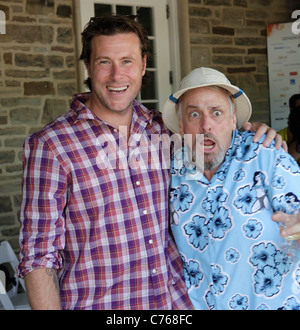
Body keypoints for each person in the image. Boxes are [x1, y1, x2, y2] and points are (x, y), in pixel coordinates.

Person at [17, 16, 284, 310]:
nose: (117, 75)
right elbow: (38, 255)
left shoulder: (162, 130)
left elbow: (212, 135)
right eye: (105, 61)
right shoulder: (52, 145)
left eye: (127, 61)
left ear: (143, 65)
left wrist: (251, 131)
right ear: (89, 67)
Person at [162, 67, 300, 310]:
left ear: (233, 119)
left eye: (217, 113)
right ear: (181, 126)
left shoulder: (268, 157)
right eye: (194, 114)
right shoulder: (171, 170)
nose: (206, 125)